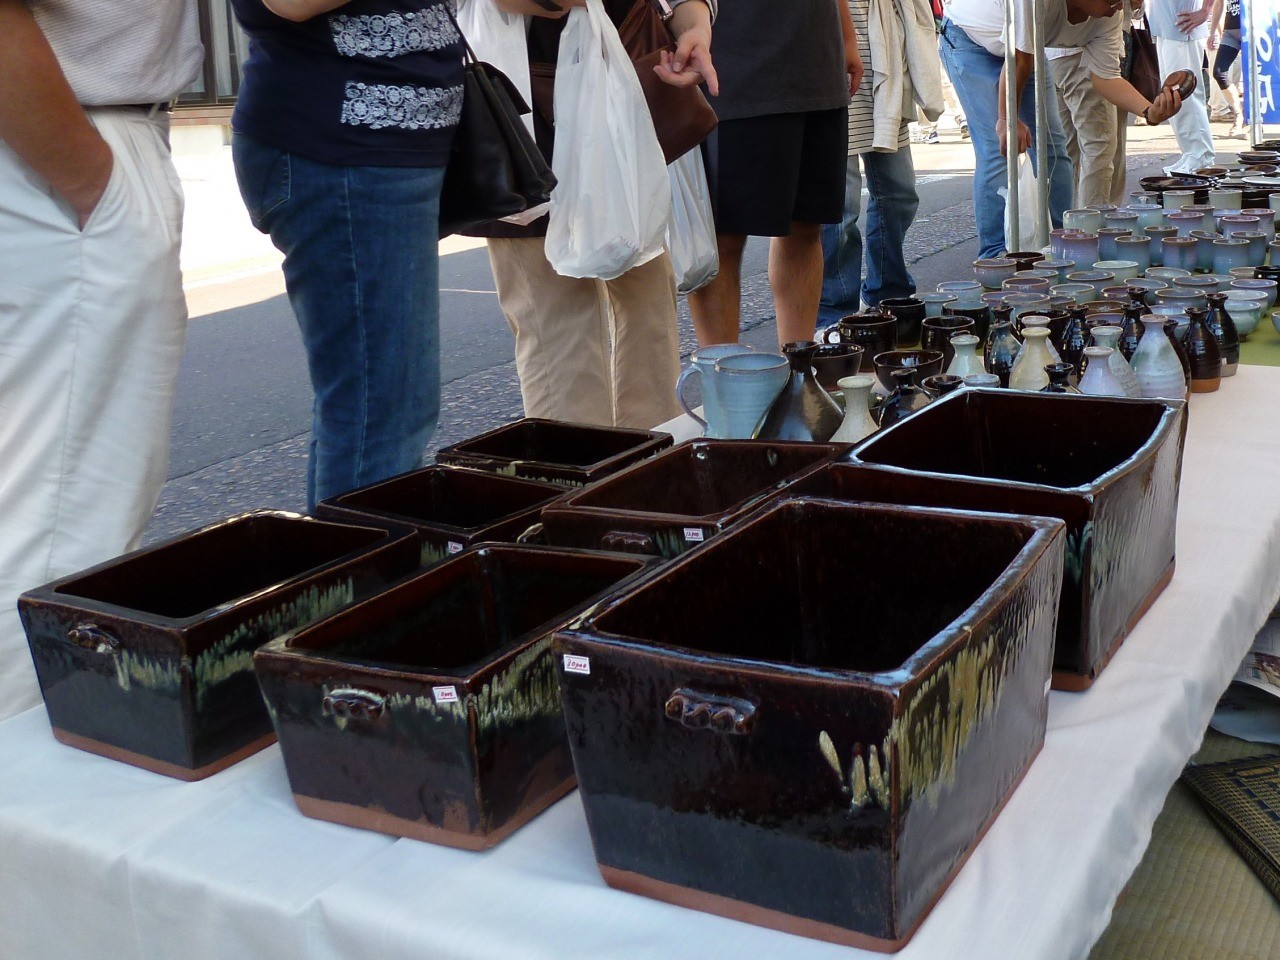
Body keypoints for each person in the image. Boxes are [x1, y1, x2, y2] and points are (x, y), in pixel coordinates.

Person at [0, 0, 201, 722]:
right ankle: (24, 758)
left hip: (50, 146)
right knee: (60, 518)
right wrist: (93, 182)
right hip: (55, 152)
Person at [229, 0, 463, 511]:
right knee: (380, 408)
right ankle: (365, 561)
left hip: (372, 151)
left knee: (377, 404)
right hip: (342, 148)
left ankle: (348, 555)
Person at [481, 0, 716, 431]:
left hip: (617, 96)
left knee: (648, 309)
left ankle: (650, 458)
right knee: (558, 324)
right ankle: (579, 469)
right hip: (518, 101)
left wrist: (694, 25)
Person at [941, 0, 1183, 259]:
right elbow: (1018, 60)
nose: (1119, 6)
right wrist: (1007, 120)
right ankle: (994, 256)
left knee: (1055, 152)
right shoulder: (1035, 4)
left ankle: (1061, 247)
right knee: (999, 150)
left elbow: (1107, 78)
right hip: (970, 40)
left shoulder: (1110, 13)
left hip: (1027, 51)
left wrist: (1149, 112)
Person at [688, 0, 863, 347]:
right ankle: (723, 375)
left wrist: (846, 35)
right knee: (723, 237)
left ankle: (799, 369)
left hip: (817, 55)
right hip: (731, 61)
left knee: (806, 225)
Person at [820, 0, 942, 323]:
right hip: (831, 54)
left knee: (899, 193)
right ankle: (836, 314)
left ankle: (888, 294)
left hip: (884, 54)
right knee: (840, 210)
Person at [1146, 0, 1220, 172]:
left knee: (1186, 95)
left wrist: (1205, 11)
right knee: (1171, 95)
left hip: (1183, 26)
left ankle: (1201, 155)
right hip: (1166, 26)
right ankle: (1190, 152)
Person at [1208, 0, 1246, 138]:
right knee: (1219, 72)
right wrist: (1213, 32)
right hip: (1230, 31)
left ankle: (1252, 121)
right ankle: (1238, 113)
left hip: (1252, 30)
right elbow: (1219, 4)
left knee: (1255, 75)